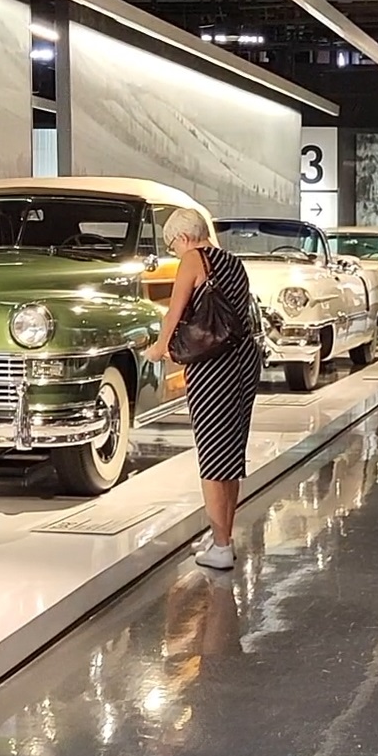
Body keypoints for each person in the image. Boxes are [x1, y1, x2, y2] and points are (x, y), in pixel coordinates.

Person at [142, 207, 261, 572]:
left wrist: (159, 348)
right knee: (231, 455)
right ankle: (222, 535)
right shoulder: (233, 262)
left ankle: (222, 547)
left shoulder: (194, 259)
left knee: (212, 456)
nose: (175, 252)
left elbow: (174, 312)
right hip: (243, 361)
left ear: (183, 237)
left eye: (172, 245)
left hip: (213, 367)